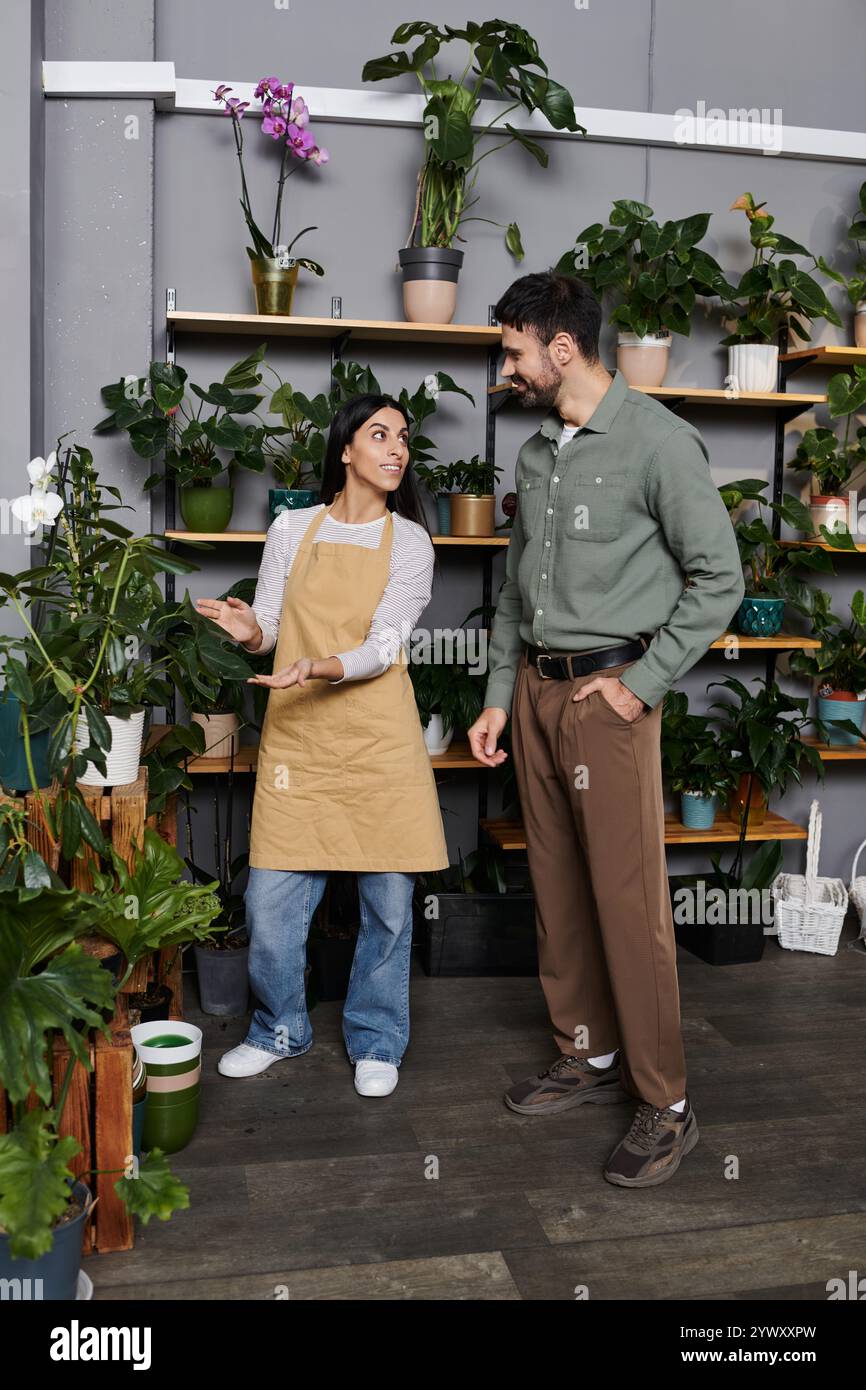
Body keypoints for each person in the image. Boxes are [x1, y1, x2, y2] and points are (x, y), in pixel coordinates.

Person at [467, 271, 745, 1186]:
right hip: (537, 698)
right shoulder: (540, 455)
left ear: (560, 348)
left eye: (513, 350)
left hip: (610, 699)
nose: (504, 366)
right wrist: (500, 698)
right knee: (558, 892)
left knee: (630, 907)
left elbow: (720, 580)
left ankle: (665, 1103)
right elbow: (514, 592)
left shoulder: (660, 442)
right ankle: (585, 1055)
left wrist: (644, 685)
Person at [196, 394, 449, 1097]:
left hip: (379, 743)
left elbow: (385, 644)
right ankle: (279, 1028)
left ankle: (377, 1039)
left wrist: (323, 666)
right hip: (299, 741)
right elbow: (272, 626)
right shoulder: (292, 528)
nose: (396, 448)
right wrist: (248, 632)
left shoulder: (412, 542)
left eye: (403, 437)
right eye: (379, 435)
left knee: (389, 910)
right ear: (346, 450)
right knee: (270, 911)